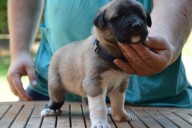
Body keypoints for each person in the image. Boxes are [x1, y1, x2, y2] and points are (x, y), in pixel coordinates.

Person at [7, 0, 192, 108]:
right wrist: (20, 50)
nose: (136, 23)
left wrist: (164, 37)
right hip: (49, 85)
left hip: (157, 96)